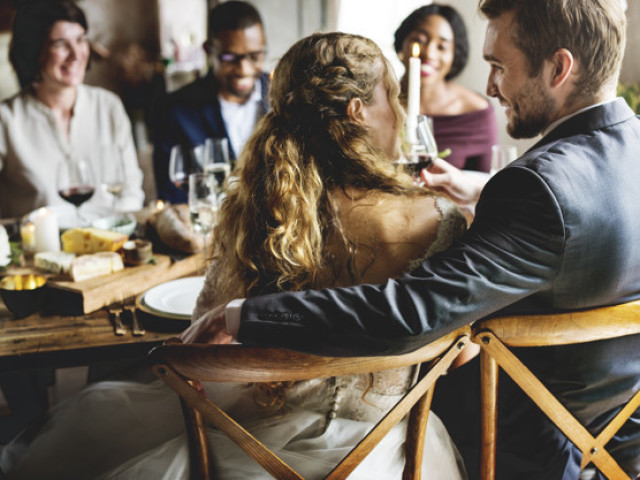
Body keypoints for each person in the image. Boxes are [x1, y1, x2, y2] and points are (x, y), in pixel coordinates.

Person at [182, 0, 640, 478]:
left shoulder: (535, 188)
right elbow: (577, 219)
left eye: (499, 66)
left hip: (539, 455)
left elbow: (411, 313)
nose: (488, 87)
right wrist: (486, 189)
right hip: (619, 441)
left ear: (558, 68)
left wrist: (245, 314)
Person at [2, 32, 468, 479]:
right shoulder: (439, 220)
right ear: (358, 111)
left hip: (255, 448)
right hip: (385, 455)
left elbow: (204, 329)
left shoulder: (264, 210)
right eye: (392, 96)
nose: (401, 112)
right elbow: (457, 346)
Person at [0, 0, 144, 219]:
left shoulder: (108, 106)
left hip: (110, 246)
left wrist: (117, 232)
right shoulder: (6, 120)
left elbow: (132, 191)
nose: (77, 54)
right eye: (60, 44)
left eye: (81, 40)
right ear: (34, 51)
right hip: (37, 251)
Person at [152, 0, 270, 204]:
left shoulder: (286, 96)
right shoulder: (175, 111)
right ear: (208, 50)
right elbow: (172, 196)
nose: (243, 69)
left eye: (254, 56)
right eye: (229, 57)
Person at [395, 4, 498, 172]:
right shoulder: (375, 102)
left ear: (455, 56)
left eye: (442, 47)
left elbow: (484, 185)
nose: (429, 53)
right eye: (419, 41)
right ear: (402, 44)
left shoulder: (476, 113)